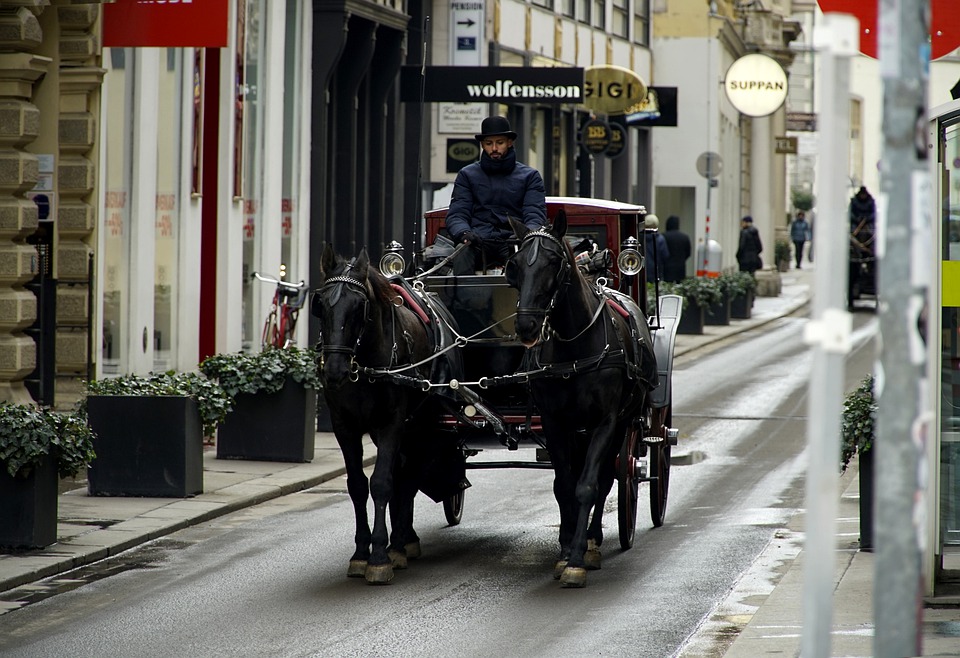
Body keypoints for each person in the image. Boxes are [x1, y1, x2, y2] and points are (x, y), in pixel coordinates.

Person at [445, 116, 547, 271]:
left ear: (509, 142)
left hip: (514, 242)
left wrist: (525, 235)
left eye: (499, 143)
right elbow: (457, 213)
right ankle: (463, 296)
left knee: (531, 264)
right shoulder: (467, 175)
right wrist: (464, 233)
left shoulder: (530, 176)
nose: (494, 148)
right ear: (482, 145)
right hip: (477, 242)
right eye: (488, 143)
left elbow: (534, 213)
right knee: (461, 253)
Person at [662, 214, 691, 282]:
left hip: (667, 269)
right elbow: (688, 253)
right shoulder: (684, 237)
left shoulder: (663, 236)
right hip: (680, 268)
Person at [643, 214, 670, 281]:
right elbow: (665, 256)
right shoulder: (660, 239)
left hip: (642, 273)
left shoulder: (640, 238)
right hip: (656, 272)